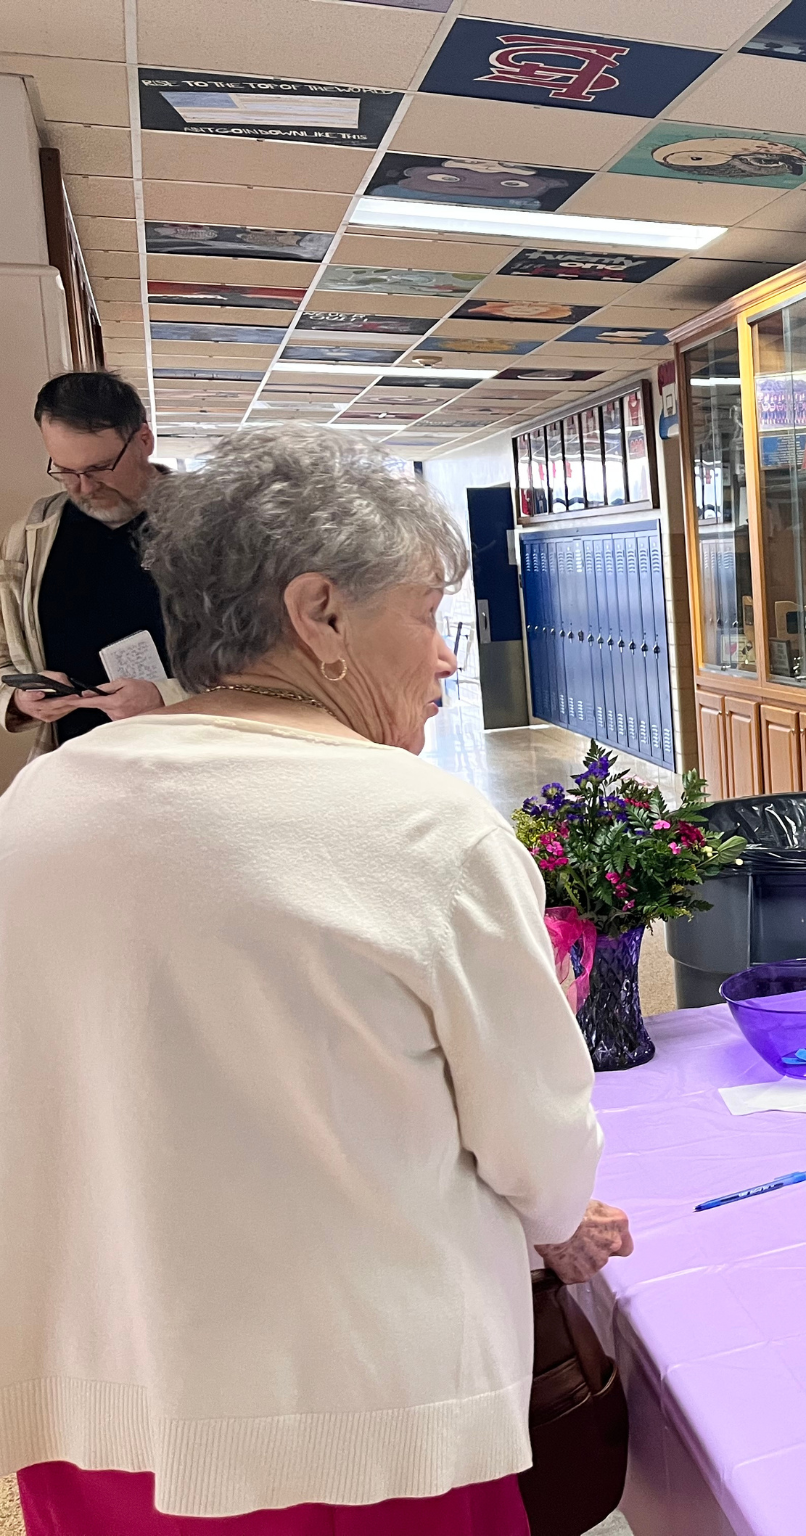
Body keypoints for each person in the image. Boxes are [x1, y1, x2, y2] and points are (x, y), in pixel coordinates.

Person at [0, 424, 628, 1532]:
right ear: (318, 614)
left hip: (101, 1398)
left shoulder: (40, 808)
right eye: (426, 615)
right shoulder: (419, 827)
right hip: (360, 1425)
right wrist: (556, 1216)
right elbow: (535, 1130)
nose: (444, 657)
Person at [1, 372, 188, 754]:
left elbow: (274, 665)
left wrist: (165, 696)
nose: (84, 487)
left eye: (99, 468)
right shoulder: (29, 537)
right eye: (65, 471)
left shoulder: (221, 529)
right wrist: (19, 699)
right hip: (74, 761)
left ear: (144, 440)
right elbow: (3, 652)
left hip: (193, 755)